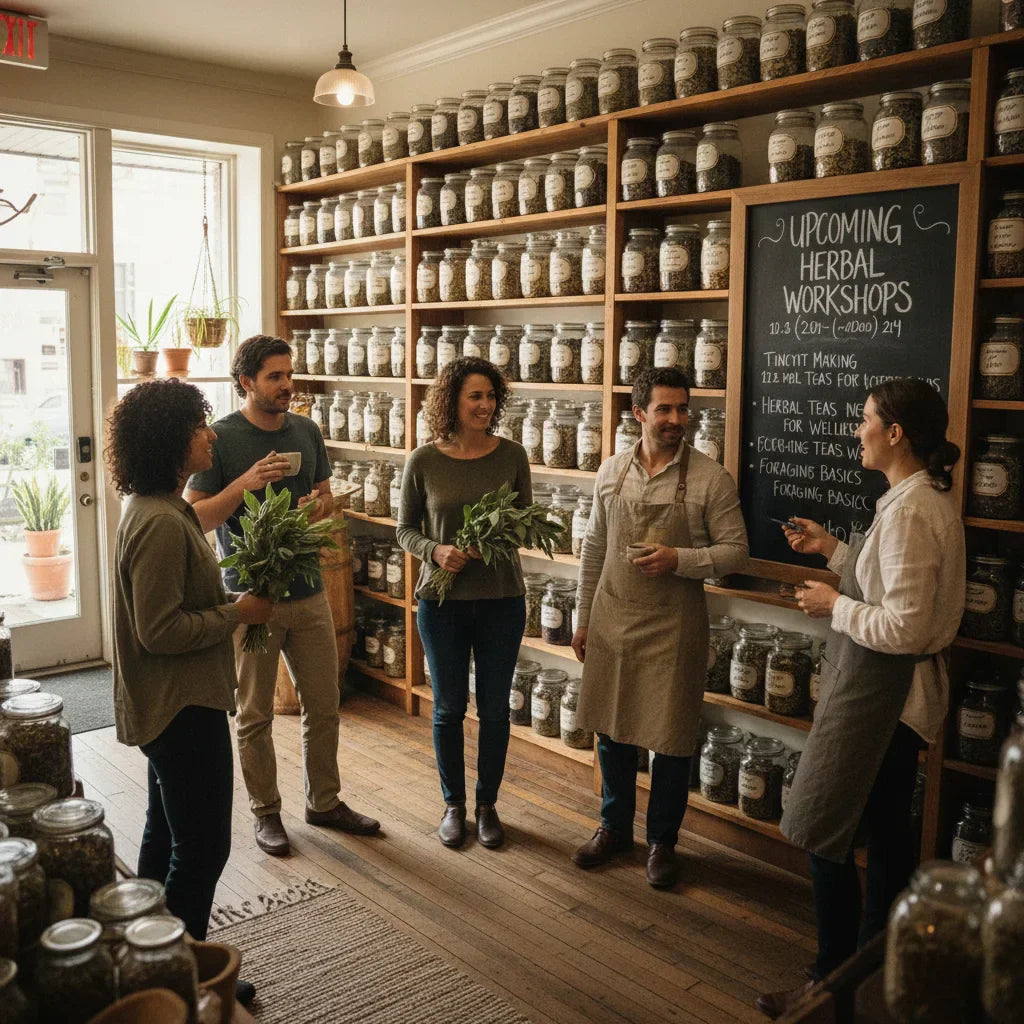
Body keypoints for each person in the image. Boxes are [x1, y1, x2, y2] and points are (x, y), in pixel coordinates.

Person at [757, 378, 966, 1019]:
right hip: (887, 698)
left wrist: (833, 603)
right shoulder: (914, 499)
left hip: (886, 700)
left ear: (895, 432)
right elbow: (893, 588)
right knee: (886, 844)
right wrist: (834, 550)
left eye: (865, 419)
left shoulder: (910, 513)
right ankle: (871, 981)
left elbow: (901, 626)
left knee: (824, 832)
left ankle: (831, 987)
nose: (856, 429)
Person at [185, 335, 380, 857]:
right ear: (246, 381)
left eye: (289, 375)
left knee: (325, 704)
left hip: (310, 590)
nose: (287, 385)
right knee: (254, 714)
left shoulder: (306, 430)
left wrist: (319, 505)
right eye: (275, 377)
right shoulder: (218, 439)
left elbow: (319, 495)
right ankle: (266, 813)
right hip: (252, 597)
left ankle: (325, 802)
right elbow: (197, 517)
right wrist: (246, 483)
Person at [571, 366, 749, 888]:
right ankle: (613, 828)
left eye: (683, 408)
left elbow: (736, 552)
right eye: (665, 409)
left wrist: (680, 559)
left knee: (671, 742)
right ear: (639, 413)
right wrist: (582, 619)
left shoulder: (711, 478)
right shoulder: (611, 472)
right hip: (612, 616)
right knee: (613, 729)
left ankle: (662, 842)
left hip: (674, 626)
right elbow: (594, 550)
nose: (677, 419)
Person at [107, 378, 272, 942]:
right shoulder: (157, 522)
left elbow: (178, 604)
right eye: (197, 427)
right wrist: (238, 613)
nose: (209, 434)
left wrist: (232, 603)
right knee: (203, 847)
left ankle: (148, 955)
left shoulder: (160, 507)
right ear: (169, 443)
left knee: (163, 832)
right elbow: (159, 630)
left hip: (170, 701)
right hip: (180, 707)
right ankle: (189, 970)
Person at [397, 357, 531, 850]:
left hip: (501, 600)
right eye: (475, 396)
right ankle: (453, 805)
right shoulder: (424, 460)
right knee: (449, 708)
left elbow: (523, 521)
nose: (485, 405)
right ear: (451, 400)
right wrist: (436, 549)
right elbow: (404, 530)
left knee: (495, 710)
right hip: (442, 602)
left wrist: (495, 537)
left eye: (491, 396)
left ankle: (488, 805)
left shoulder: (512, 455)